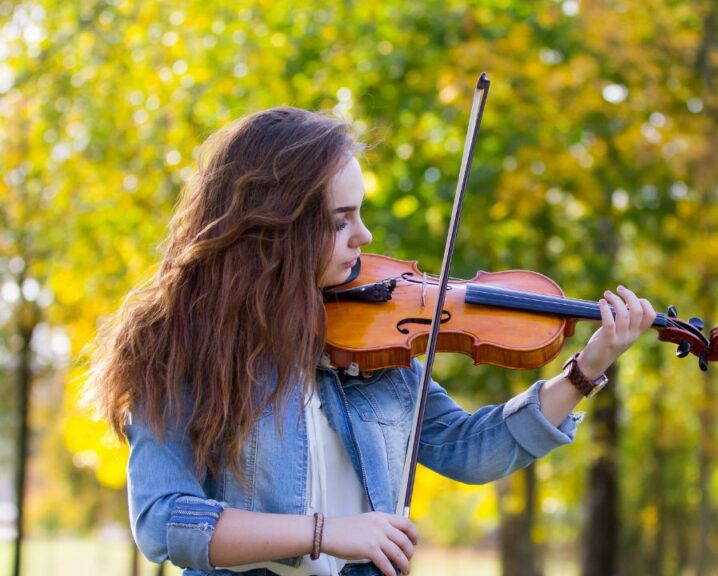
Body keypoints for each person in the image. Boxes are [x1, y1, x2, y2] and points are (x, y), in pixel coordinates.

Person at [88, 106, 656, 576]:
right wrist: (326, 534)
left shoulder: (373, 341)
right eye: (340, 220)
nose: (364, 236)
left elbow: (467, 447)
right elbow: (165, 522)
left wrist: (586, 369)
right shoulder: (178, 345)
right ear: (278, 224)